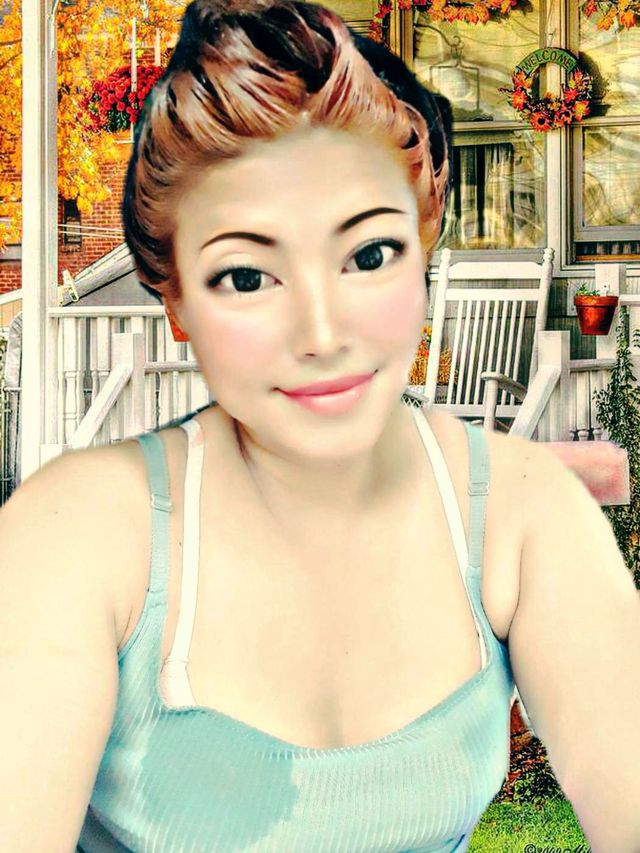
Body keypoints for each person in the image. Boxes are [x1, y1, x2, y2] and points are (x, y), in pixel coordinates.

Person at [1, 1, 639, 851]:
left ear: (423, 245)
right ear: (175, 299)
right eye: (245, 276)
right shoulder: (76, 533)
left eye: (369, 256)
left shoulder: (525, 516)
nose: (323, 333)